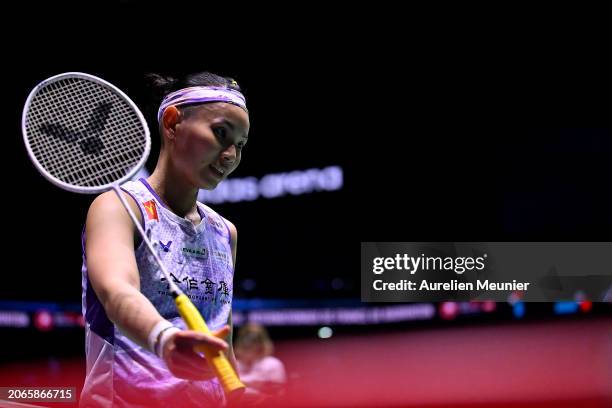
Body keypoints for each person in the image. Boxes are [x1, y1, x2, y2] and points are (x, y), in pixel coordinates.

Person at [80, 72, 250, 407]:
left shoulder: (224, 231)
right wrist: (164, 338)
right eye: (220, 133)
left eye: (241, 145)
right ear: (172, 123)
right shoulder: (120, 207)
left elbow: (220, 333)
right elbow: (117, 292)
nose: (230, 155)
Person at [235, 323, 287, 400]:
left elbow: (277, 390)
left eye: (255, 340)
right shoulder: (233, 364)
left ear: (262, 343)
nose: (249, 342)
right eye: (245, 338)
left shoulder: (273, 363)